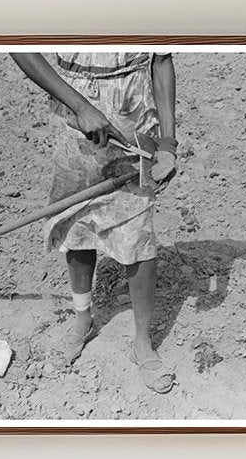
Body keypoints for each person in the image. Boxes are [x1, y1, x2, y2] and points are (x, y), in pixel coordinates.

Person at [10, 51, 177, 394]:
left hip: (133, 115)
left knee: (137, 228)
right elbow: (17, 45)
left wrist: (168, 142)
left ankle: (142, 341)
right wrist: (80, 106)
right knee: (78, 221)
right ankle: (82, 319)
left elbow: (161, 62)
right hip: (76, 112)